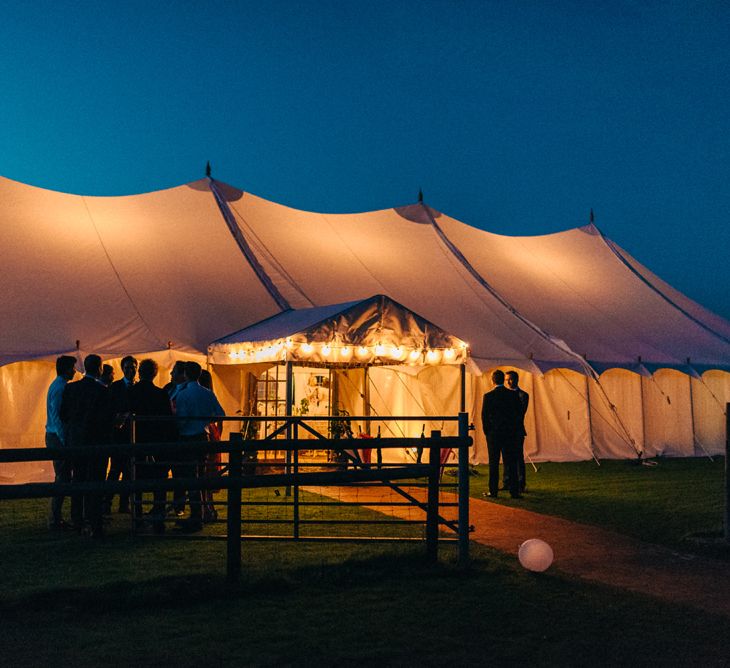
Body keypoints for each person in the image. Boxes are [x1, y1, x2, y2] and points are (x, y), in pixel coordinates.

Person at [60, 354, 113, 537]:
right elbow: (107, 419)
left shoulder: (71, 389)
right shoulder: (103, 391)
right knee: (96, 481)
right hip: (96, 444)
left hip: (77, 442)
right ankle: (95, 520)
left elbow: (63, 415)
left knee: (78, 480)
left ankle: (77, 519)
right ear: (99, 369)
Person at [173, 361, 224, 532]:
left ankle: (196, 515)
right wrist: (206, 421)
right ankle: (201, 512)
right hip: (203, 436)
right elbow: (220, 414)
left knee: (190, 476)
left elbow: (182, 418)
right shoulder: (207, 393)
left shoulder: (183, 394)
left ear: (186, 374)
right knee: (200, 475)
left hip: (188, 437)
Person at [129, 358, 175, 533]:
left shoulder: (131, 392)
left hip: (137, 441)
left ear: (140, 372)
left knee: (137, 481)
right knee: (159, 483)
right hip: (157, 442)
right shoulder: (161, 394)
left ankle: (138, 516)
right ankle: (158, 519)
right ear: (155, 374)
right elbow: (168, 421)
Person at [45, 355, 77, 529]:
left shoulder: (57, 385)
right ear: (66, 369)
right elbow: (56, 416)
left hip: (55, 435)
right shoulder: (60, 388)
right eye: (72, 368)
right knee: (63, 477)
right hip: (57, 436)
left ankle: (55, 517)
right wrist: (64, 439)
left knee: (63, 477)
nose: (74, 371)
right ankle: (54, 518)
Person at [481, 369, 522, 499]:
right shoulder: (512, 395)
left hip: (494, 434)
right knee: (511, 462)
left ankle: (493, 491)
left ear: (493, 380)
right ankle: (514, 491)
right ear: (503, 380)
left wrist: (487, 431)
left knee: (493, 463)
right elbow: (518, 414)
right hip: (509, 434)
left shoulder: (488, 396)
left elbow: (484, 416)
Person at [105, 355, 137, 513]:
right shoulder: (115, 387)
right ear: (122, 369)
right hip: (118, 435)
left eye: (133, 367)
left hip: (133, 436)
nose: (131, 370)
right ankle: (107, 502)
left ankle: (124, 504)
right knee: (116, 469)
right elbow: (109, 409)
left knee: (129, 472)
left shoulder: (137, 388)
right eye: (128, 368)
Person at [164, 360, 187, 515]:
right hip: (167, 436)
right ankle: (162, 504)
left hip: (181, 435)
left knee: (180, 472)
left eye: (174, 371)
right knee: (164, 471)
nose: (171, 374)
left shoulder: (186, 391)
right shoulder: (168, 388)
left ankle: (178, 505)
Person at [504, 370, 529, 493]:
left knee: (518, 457)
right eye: (506, 379)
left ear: (517, 380)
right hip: (505, 431)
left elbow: (520, 413)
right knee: (506, 457)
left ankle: (521, 483)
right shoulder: (504, 394)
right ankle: (507, 481)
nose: (508, 382)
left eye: (510, 379)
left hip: (517, 431)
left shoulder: (523, 395)